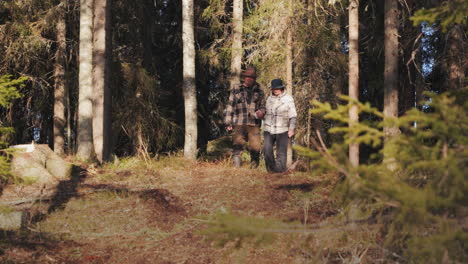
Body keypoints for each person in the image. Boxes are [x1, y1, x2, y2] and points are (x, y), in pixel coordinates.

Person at [224, 66, 266, 168]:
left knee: (255, 148)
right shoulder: (236, 88)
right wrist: (228, 122)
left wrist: (262, 112)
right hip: (239, 122)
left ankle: (254, 169)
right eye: (247, 77)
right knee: (237, 146)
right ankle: (237, 168)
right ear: (244, 77)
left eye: (251, 77)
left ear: (254, 78)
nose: (249, 79)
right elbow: (230, 105)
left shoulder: (260, 90)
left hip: (254, 124)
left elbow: (263, 106)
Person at [263, 79, 297, 173]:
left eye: (277, 88)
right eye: (274, 88)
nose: (275, 90)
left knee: (281, 153)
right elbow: (266, 112)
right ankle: (271, 171)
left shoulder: (288, 98)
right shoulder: (269, 99)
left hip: (283, 129)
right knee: (266, 150)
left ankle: (279, 173)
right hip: (268, 129)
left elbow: (293, 115)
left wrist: (291, 129)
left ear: (282, 88)